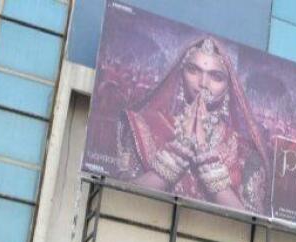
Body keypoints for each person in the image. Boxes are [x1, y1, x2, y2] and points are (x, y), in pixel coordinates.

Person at [115, 36, 269, 213]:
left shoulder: (245, 152)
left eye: (216, 76)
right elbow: (120, 197)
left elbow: (252, 225)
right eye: (193, 70)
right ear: (181, 75)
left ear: (228, 87)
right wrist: (177, 154)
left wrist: (208, 164)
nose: (203, 83)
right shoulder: (143, 126)